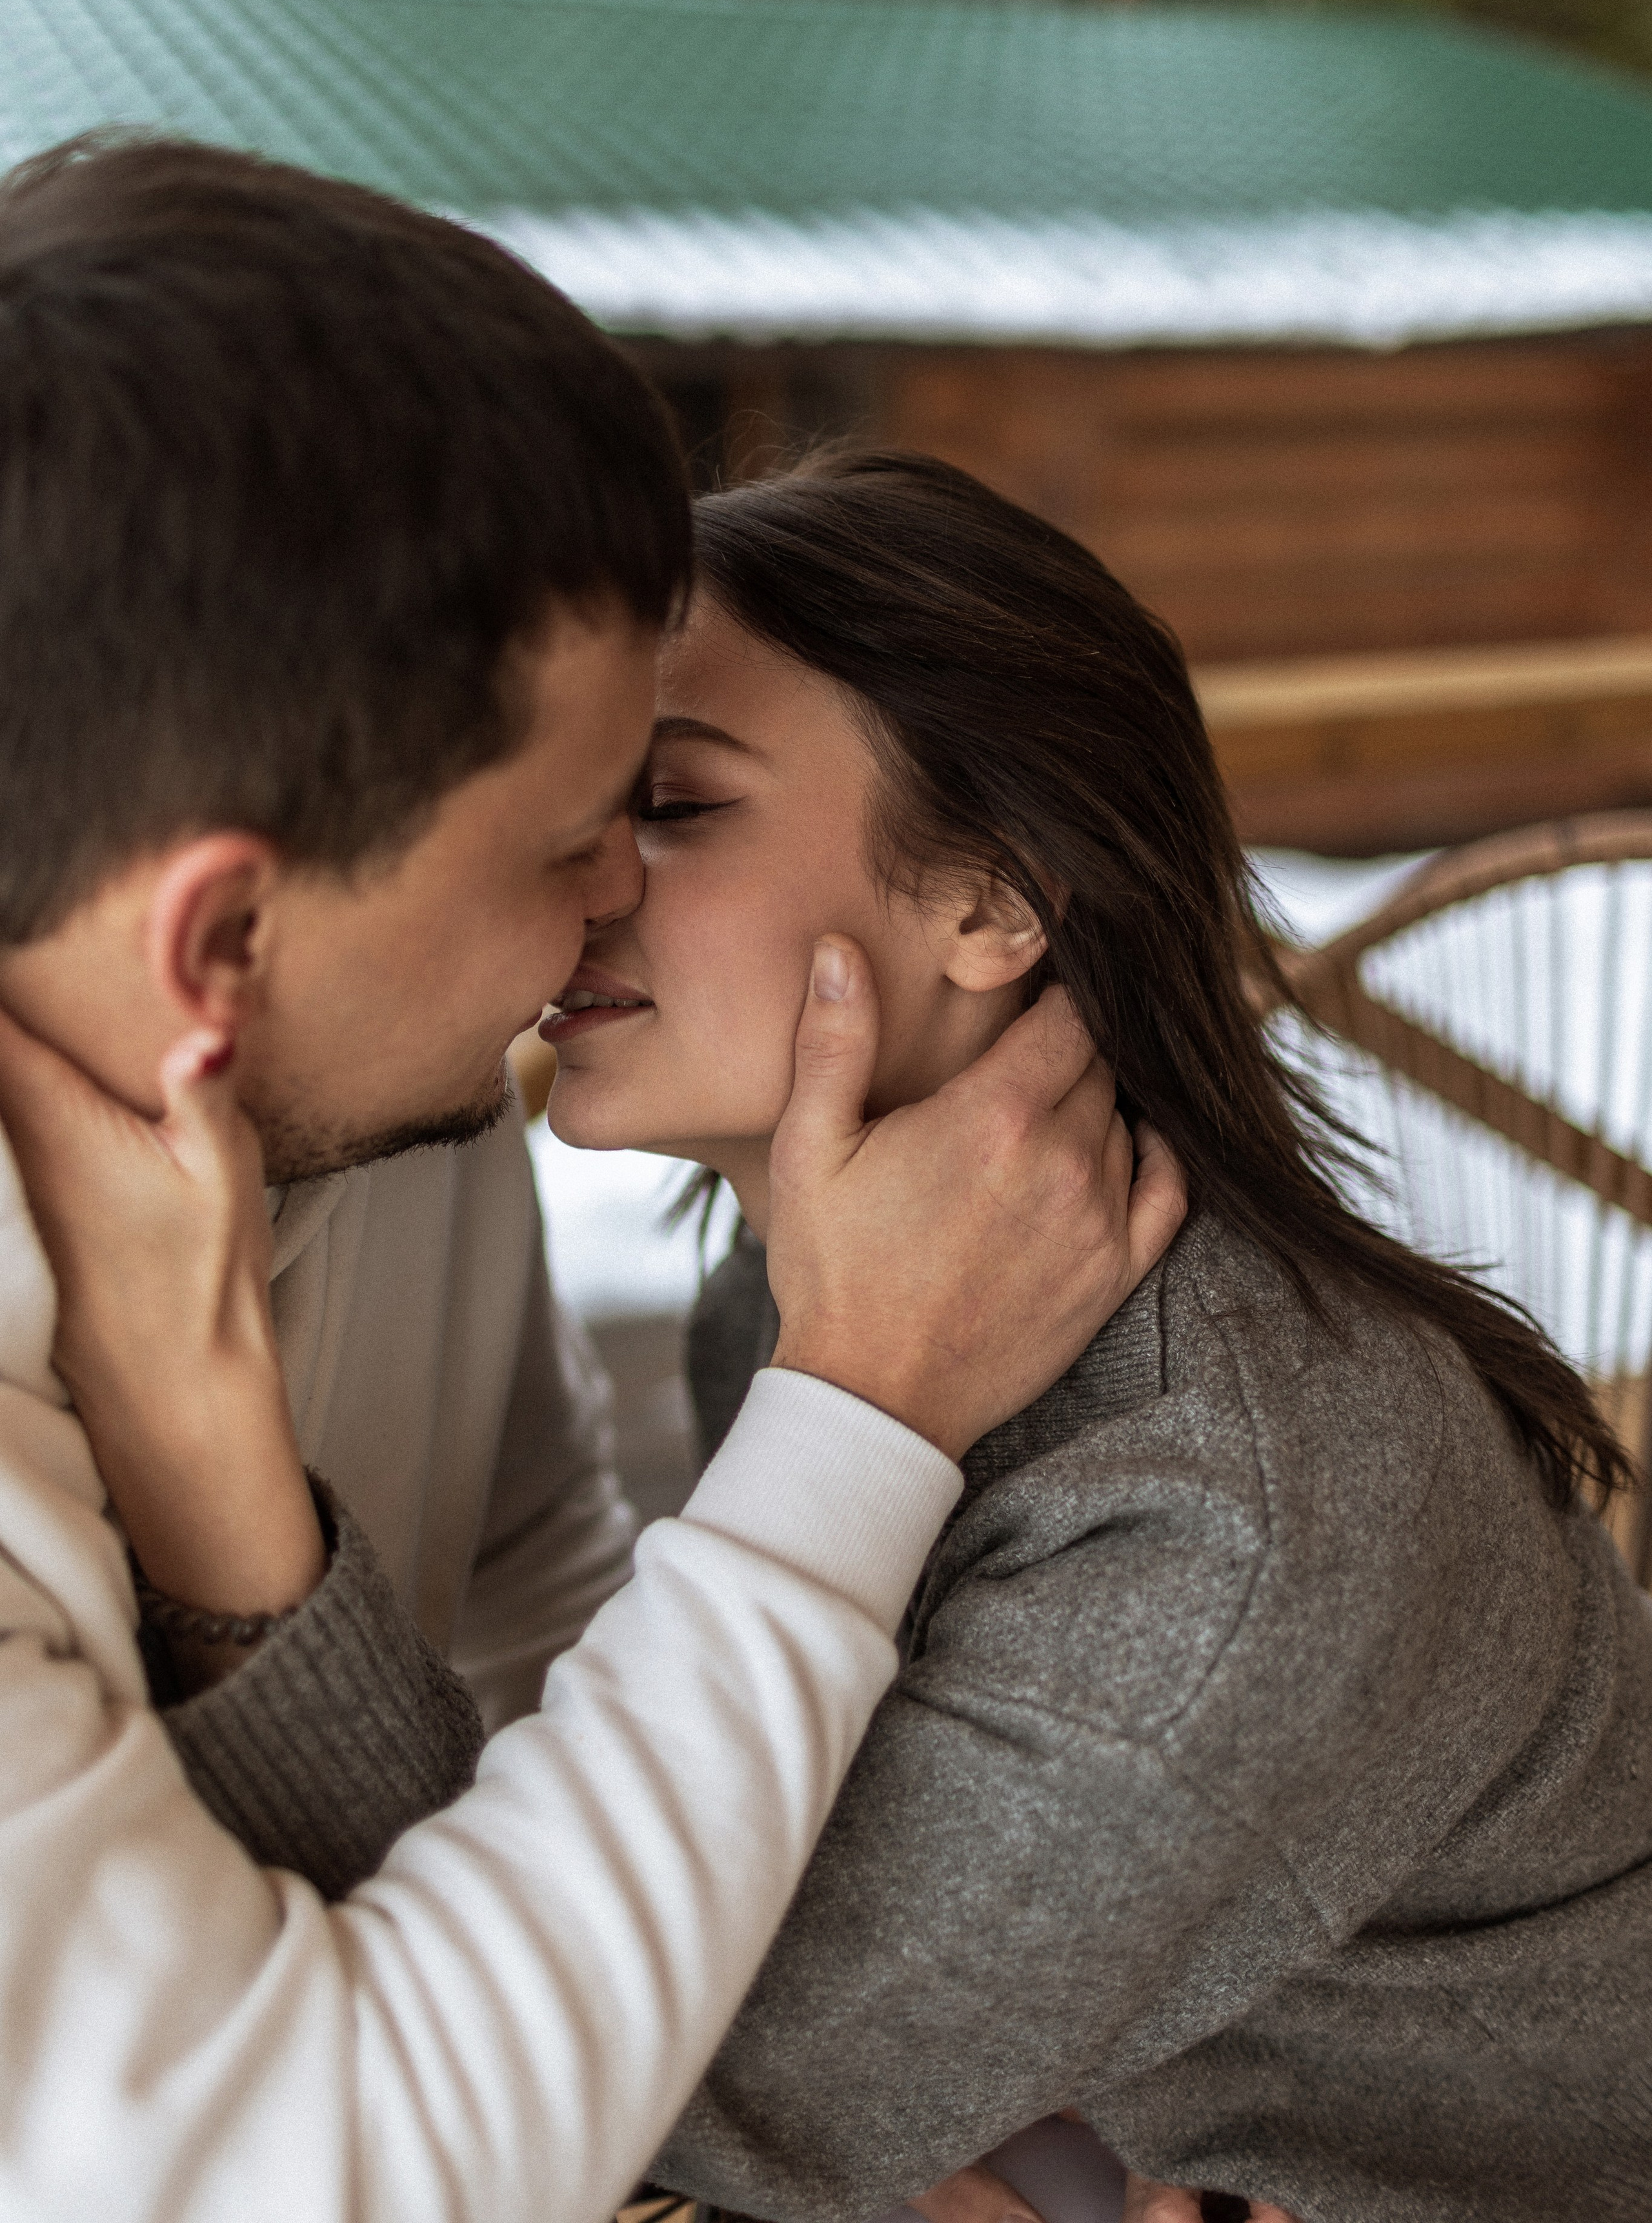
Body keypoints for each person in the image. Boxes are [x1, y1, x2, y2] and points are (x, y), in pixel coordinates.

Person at [0, 143, 1185, 2222]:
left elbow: (535, 1636)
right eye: (575, 838)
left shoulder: (384, 1095)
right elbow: (317, 2168)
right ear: (214, 950)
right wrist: (862, 1418)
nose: (615, 907)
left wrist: (792, 2115)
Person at [526, 451, 1646, 2223]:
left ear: (992, 899)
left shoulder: (1229, 1517)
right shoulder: (818, 1292)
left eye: (669, 802)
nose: (570, 872)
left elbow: (590, 2106)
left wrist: (223, 1525)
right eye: (562, 797)